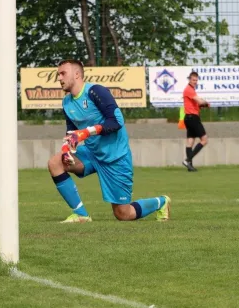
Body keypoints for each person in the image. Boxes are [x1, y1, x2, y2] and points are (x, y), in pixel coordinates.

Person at [47, 59, 171, 223]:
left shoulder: (95, 91)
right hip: (92, 154)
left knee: (123, 214)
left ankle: (161, 201)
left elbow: (117, 121)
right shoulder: (66, 102)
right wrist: (66, 151)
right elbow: (71, 134)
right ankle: (82, 215)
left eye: (63, 73)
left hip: (115, 157)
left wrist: (86, 132)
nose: (59, 78)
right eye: (58, 75)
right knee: (55, 163)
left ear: (77, 74)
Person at [182, 72, 210, 172]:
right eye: (193, 80)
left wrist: (203, 104)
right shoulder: (189, 90)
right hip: (193, 118)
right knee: (204, 140)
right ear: (189, 79)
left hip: (188, 118)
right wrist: (206, 103)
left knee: (190, 141)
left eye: (196, 80)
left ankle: (190, 166)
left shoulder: (191, 90)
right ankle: (187, 160)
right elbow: (200, 101)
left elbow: (197, 103)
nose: (195, 82)